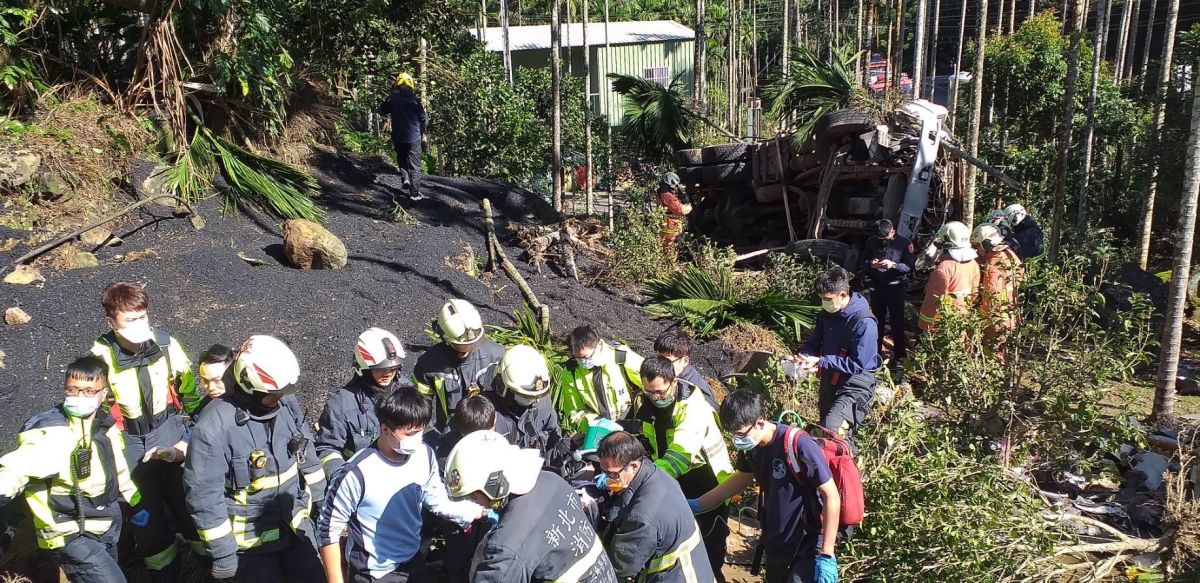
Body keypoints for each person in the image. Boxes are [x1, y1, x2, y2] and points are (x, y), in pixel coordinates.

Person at [184, 335, 325, 582]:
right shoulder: (213, 429)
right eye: (273, 394)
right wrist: (224, 555)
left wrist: (321, 499)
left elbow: (305, 450)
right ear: (249, 385)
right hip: (250, 546)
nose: (278, 399)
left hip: (295, 526)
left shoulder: (284, 401)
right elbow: (204, 499)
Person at [318, 388, 487, 583]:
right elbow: (328, 530)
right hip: (374, 573)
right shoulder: (356, 473)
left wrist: (474, 511)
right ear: (385, 430)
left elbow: (436, 500)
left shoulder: (425, 455)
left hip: (412, 561)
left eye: (420, 431)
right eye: (409, 433)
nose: (417, 439)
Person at [88, 282, 198, 580]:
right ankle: (164, 571)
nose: (138, 326)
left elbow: (190, 396)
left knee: (188, 501)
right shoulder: (99, 360)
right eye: (129, 319)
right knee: (144, 515)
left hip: (170, 430)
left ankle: (205, 563)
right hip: (128, 444)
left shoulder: (166, 346)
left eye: (142, 317)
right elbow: (93, 416)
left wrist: (192, 436)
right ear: (110, 322)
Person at [0, 356, 141, 582]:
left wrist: (136, 502)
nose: (79, 397)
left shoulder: (105, 426)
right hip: (69, 532)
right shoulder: (53, 431)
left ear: (103, 393)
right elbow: (17, 466)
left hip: (104, 525)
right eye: (72, 390)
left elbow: (118, 469)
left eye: (88, 391)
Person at [691, 390, 841, 583]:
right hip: (777, 541)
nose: (737, 440)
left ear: (760, 422)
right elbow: (740, 479)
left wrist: (827, 554)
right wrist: (697, 504)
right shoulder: (752, 448)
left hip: (807, 540)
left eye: (740, 434)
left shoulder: (798, 444)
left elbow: (831, 495)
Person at [443, 430, 618, 583]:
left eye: (474, 495)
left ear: (494, 486)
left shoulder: (506, 549)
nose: (475, 501)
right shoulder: (552, 481)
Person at [630, 357, 732, 582]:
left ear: (673, 381)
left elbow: (680, 454)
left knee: (709, 549)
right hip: (671, 481)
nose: (655, 398)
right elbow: (641, 437)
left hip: (707, 482)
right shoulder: (643, 400)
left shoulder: (694, 406)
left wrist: (647, 480)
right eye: (649, 392)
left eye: (659, 392)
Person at [595, 431, 715, 583]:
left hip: (679, 576)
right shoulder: (655, 473)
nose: (606, 479)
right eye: (603, 472)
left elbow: (620, 568)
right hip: (697, 566)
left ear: (632, 466)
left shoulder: (643, 517)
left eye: (612, 475)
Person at [796, 267, 881, 437]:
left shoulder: (864, 323)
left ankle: (847, 461)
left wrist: (821, 361)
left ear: (843, 294)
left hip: (855, 384)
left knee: (833, 429)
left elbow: (857, 365)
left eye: (827, 299)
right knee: (824, 428)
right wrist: (804, 355)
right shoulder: (826, 314)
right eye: (821, 299)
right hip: (830, 379)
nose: (824, 303)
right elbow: (814, 342)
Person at [316, 327, 410, 478]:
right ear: (363, 369)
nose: (388, 374)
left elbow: (421, 429)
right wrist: (344, 480)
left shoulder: (406, 390)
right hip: (361, 481)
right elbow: (327, 449)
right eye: (380, 369)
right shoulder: (341, 405)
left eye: (393, 368)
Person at [414, 300, 507, 440]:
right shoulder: (428, 364)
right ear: (445, 337)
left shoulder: (498, 357)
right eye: (459, 346)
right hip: (449, 437)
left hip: (492, 436)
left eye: (471, 344)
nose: (465, 351)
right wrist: (432, 438)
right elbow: (418, 408)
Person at [483, 345, 571, 469]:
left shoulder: (543, 402)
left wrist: (562, 448)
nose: (536, 400)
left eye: (539, 395)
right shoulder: (485, 413)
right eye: (525, 396)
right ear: (503, 387)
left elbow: (550, 436)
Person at [556, 325, 644, 435]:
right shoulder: (571, 371)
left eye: (586, 357)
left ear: (597, 346)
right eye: (578, 358)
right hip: (598, 429)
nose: (583, 362)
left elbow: (651, 382)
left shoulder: (620, 356)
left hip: (630, 421)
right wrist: (598, 424)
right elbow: (574, 411)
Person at [865, 219, 915, 375]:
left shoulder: (905, 244)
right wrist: (871, 264)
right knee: (876, 322)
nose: (882, 242)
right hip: (877, 287)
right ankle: (875, 355)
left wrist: (893, 265)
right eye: (881, 240)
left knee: (897, 322)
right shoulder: (872, 242)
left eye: (885, 239)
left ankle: (900, 357)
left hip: (896, 287)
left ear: (892, 232)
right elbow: (863, 260)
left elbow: (909, 266)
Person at [918, 221, 981, 333]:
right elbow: (974, 295)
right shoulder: (973, 264)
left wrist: (923, 326)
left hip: (940, 327)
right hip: (962, 323)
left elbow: (933, 301)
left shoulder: (944, 269)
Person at [379, 72, 428, 199]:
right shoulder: (415, 101)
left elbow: (382, 110)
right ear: (411, 84)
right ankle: (414, 194)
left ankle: (405, 178)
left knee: (401, 158)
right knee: (415, 165)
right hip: (413, 138)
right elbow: (423, 118)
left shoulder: (392, 99)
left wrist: (391, 97)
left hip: (398, 136)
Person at [972, 224, 1022, 346]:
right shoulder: (1009, 254)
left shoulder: (994, 268)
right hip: (1009, 314)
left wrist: (980, 320)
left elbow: (991, 300)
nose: (976, 250)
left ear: (986, 244)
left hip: (995, 321)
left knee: (993, 354)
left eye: (977, 246)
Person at [654, 330, 716, 406]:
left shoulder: (693, 391)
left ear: (684, 361)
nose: (659, 365)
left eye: (666, 361)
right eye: (658, 359)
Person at [434, 395, 497, 469]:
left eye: (486, 435)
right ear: (461, 432)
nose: (485, 440)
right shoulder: (446, 453)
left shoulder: (507, 427)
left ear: (495, 419)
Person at [657, 172, 692, 259]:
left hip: (668, 224)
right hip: (670, 226)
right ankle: (671, 267)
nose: (676, 187)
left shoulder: (661, 192)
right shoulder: (667, 196)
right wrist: (689, 207)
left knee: (669, 247)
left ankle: (670, 265)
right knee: (670, 247)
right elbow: (680, 210)